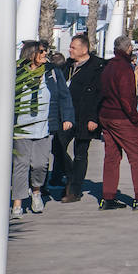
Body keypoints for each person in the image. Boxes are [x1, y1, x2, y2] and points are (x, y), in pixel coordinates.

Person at [98, 36, 138, 211]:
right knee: (137, 157)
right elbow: (126, 97)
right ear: (128, 49)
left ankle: (107, 197)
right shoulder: (124, 68)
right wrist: (135, 117)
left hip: (107, 115)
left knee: (112, 157)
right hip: (121, 117)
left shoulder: (109, 66)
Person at [12, 41, 73, 215]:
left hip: (44, 125)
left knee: (40, 164)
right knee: (21, 165)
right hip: (20, 127)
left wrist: (67, 117)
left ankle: (36, 191)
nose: (45, 54)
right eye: (41, 52)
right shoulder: (17, 72)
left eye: (45, 51)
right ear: (31, 54)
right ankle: (18, 202)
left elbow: (64, 95)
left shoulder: (52, 72)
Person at [59, 33, 104, 203]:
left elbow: (99, 94)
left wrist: (94, 118)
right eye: (70, 47)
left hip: (86, 116)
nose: (70, 50)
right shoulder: (67, 66)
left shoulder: (98, 66)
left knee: (81, 153)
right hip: (67, 116)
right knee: (58, 146)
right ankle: (71, 176)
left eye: (73, 47)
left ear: (84, 50)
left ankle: (74, 190)